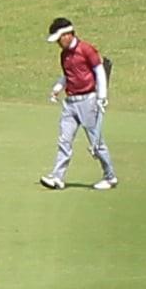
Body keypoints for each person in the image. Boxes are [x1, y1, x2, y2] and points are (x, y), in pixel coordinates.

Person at [40, 16, 116, 190]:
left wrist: (102, 97)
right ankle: (57, 177)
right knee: (64, 140)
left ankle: (110, 176)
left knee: (96, 142)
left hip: (88, 101)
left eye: (59, 39)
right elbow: (68, 75)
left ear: (67, 35)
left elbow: (99, 72)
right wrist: (58, 87)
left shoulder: (86, 49)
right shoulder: (64, 55)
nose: (58, 43)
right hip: (70, 103)